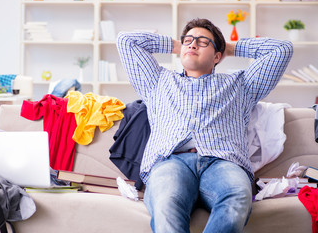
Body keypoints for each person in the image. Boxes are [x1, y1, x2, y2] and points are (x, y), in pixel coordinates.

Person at [116, 18, 293, 233]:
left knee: (236, 196)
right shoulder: (157, 81)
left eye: (202, 42)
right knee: (166, 203)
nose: (192, 44)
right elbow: (126, 41)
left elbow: (281, 49)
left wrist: (228, 47)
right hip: (171, 161)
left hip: (223, 162)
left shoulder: (242, 85)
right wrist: (177, 45)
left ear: (217, 56)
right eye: (188, 40)